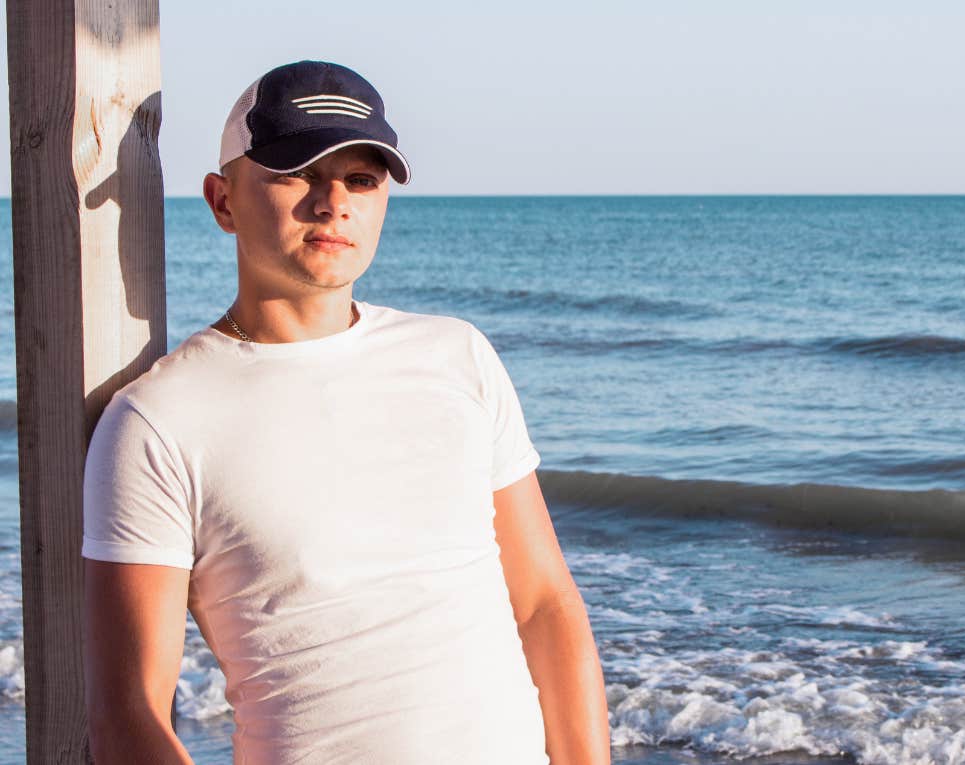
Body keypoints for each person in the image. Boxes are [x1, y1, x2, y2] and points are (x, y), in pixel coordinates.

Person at [81, 60, 610, 764]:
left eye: (361, 178)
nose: (334, 203)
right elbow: (128, 714)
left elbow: (545, 605)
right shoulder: (158, 421)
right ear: (222, 199)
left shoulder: (458, 357)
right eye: (297, 172)